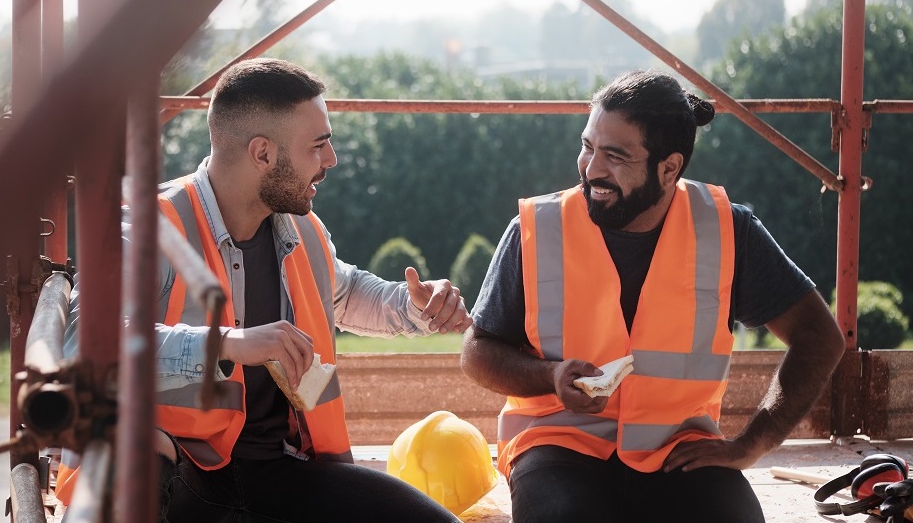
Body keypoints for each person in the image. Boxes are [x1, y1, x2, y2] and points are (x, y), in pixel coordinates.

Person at [58, 57, 471, 522]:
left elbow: (346, 292)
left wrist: (416, 307)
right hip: (178, 480)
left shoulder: (302, 230)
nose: (330, 161)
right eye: (318, 146)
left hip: (280, 475)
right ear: (262, 154)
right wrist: (231, 343)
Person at [460, 70, 846, 523]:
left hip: (679, 449)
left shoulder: (727, 231)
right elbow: (476, 352)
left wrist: (751, 444)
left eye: (616, 156)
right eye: (588, 146)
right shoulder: (537, 227)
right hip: (557, 441)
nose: (592, 169)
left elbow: (820, 338)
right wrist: (551, 376)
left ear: (669, 168)